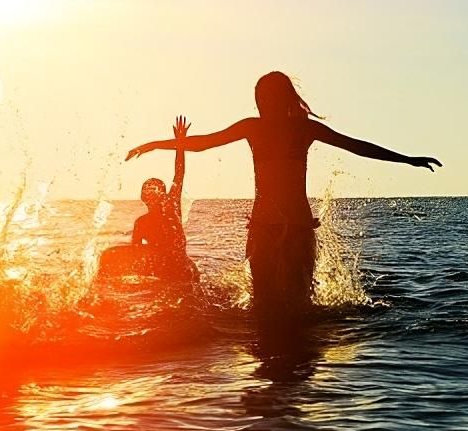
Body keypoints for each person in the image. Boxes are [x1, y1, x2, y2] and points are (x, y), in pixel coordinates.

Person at [125, 71, 441, 321]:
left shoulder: (301, 129)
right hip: (266, 228)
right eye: (261, 97)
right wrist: (155, 144)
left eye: (268, 96)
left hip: (296, 229)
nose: (264, 102)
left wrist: (407, 159)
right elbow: (202, 143)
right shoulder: (256, 128)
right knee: (266, 306)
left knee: (297, 306)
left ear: (281, 98)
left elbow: (355, 145)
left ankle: (288, 378)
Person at [100, 116, 199, 283]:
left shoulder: (171, 207)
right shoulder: (142, 222)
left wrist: (180, 145)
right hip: (166, 268)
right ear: (143, 198)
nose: (151, 195)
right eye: (148, 191)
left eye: (154, 191)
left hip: (182, 268)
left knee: (108, 256)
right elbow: (136, 253)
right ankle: (104, 288)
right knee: (106, 256)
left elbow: (179, 173)